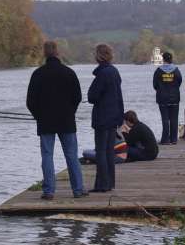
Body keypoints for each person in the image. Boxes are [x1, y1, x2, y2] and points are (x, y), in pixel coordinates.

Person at [26, 40, 88, 200]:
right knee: (71, 155)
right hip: (66, 120)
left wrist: (38, 116)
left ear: (44, 53)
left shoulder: (38, 74)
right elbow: (77, 97)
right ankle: (78, 189)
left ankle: (49, 191)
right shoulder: (69, 73)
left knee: (47, 155)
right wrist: (70, 112)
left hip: (45, 121)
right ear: (58, 53)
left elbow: (30, 101)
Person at [87, 43, 124, 192]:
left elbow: (92, 96)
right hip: (114, 116)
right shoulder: (114, 71)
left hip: (103, 117)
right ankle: (110, 182)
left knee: (101, 151)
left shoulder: (102, 74)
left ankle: (102, 184)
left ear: (99, 56)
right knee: (109, 151)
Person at [153, 52, 182, 144]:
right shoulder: (176, 70)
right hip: (174, 98)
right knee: (174, 119)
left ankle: (165, 140)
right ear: (171, 59)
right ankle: (173, 139)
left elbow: (155, 85)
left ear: (163, 59)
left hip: (162, 98)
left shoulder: (158, 71)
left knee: (165, 119)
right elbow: (179, 81)